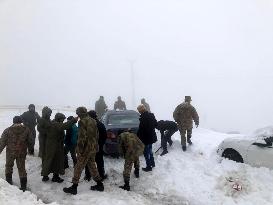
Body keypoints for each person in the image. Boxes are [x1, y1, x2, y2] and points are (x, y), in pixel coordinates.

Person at [63, 107, 104, 195]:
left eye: (77, 113)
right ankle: (100, 184)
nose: (77, 115)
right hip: (93, 147)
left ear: (80, 113)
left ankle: (74, 187)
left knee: (78, 166)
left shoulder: (82, 121)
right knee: (92, 166)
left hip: (85, 149)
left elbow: (82, 137)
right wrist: (95, 145)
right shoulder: (93, 120)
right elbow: (97, 135)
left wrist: (80, 149)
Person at [41, 113, 77, 183]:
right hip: (55, 146)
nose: (63, 121)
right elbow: (65, 126)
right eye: (62, 119)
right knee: (56, 160)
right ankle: (54, 176)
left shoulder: (52, 123)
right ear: (58, 119)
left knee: (50, 160)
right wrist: (73, 120)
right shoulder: (56, 124)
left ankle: (46, 176)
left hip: (52, 145)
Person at [0, 116, 31, 191]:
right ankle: (23, 187)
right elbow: (31, 142)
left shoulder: (7, 130)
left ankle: (9, 183)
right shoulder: (27, 130)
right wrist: (27, 147)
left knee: (8, 166)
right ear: (21, 121)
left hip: (10, 152)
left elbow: (2, 142)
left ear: (13, 121)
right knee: (21, 168)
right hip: (21, 152)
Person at [84, 110, 107, 181]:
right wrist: (101, 144)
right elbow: (104, 136)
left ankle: (88, 175)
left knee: (88, 160)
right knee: (99, 161)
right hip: (98, 146)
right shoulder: (101, 124)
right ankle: (101, 175)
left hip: (89, 147)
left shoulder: (87, 124)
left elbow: (83, 136)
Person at [137, 104, 157, 172]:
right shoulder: (151, 115)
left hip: (146, 138)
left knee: (146, 153)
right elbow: (155, 124)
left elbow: (141, 130)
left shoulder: (143, 118)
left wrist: (137, 137)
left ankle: (149, 167)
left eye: (139, 111)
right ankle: (153, 163)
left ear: (140, 111)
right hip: (151, 137)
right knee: (150, 151)